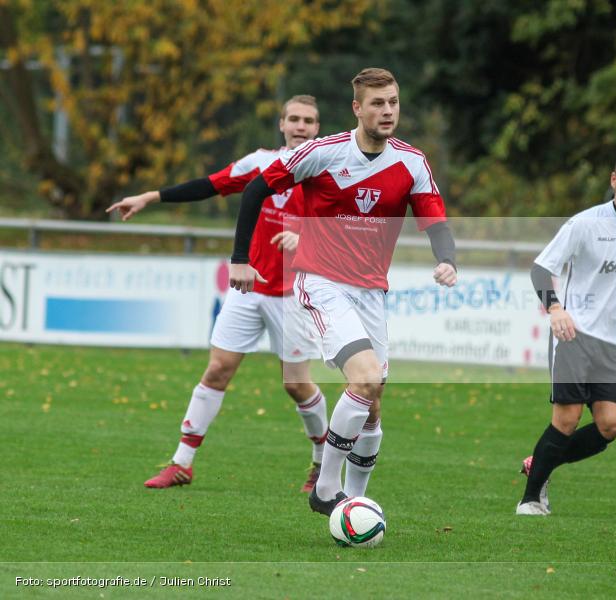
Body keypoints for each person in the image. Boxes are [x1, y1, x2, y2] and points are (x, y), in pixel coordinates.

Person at [228, 68, 458, 515]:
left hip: (371, 292)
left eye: (392, 102)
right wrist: (241, 258)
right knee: (366, 377)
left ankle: (355, 501)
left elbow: (435, 220)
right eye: (377, 103)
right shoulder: (322, 153)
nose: (387, 110)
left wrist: (447, 259)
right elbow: (256, 189)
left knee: (372, 403)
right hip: (322, 281)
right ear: (357, 108)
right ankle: (327, 486)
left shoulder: (411, 162)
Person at [107, 95, 329, 492]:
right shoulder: (259, 163)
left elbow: (348, 226)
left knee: (296, 385)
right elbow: (208, 185)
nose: (300, 126)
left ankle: (321, 462)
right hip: (248, 287)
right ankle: (181, 463)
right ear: (281, 124)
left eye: (308, 121)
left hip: (297, 294)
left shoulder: (329, 171)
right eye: (293, 119)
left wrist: (307, 236)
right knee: (217, 369)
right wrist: (150, 197)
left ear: (317, 128)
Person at [517, 145, 616, 516]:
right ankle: (531, 499)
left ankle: (541, 462)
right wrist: (555, 309)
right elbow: (540, 269)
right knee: (566, 422)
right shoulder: (586, 223)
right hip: (575, 335)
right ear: (614, 180)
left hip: (614, 343)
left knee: (611, 425)